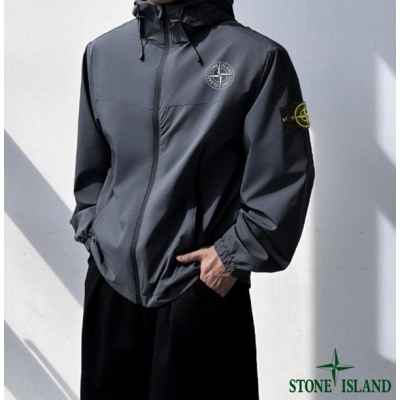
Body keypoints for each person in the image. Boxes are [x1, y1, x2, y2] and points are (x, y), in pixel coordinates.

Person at [69, 0, 315, 398]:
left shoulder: (258, 59)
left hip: (197, 292)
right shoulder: (103, 54)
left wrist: (231, 257)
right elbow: (92, 170)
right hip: (112, 291)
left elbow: (285, 176)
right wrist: (96, 235)